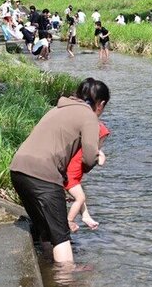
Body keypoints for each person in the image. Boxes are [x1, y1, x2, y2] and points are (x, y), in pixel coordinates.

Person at [10, 78, 110, 263]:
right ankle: (67, 279)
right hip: (44, 175)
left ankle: (51, 270)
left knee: (46, 230)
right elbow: (88, 157)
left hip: (18, 170)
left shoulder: (58, 108)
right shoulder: (88, 116)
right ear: (101, 104)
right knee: (62, 236)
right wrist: (96, 159)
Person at [65, 122, 109, 232]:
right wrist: (101, 154)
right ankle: (70, 220)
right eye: (102, 141)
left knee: (80, 197)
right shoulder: (92, 150)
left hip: (69, 176)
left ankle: (86, 216)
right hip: (71, 178)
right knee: (80, 198)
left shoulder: (81, 145)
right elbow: (101, 162)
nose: (102, 144)